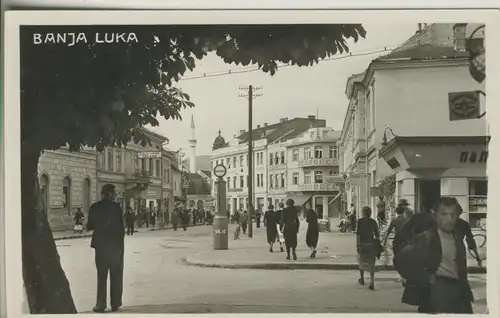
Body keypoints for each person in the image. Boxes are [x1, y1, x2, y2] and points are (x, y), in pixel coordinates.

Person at [395, 197, 474, 314]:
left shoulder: (457, 237)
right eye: (444, 214)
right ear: (435, 215)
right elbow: (400, 260)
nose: (449, 219)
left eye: (453, 214)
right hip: (438, 291)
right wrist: (424, 278)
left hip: (458, 292)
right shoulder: (426, 238)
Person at [86, 184, 125, 313]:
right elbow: (121, 228)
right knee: (116, 275)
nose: (115, 195)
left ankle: (100, 304)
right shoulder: (116, 207)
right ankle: (115, 303)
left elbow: (90, 225)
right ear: (109, 194)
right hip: (115, 246)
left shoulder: (94, 207)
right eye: (114, 193)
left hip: (101, 246)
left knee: (101, 275)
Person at [356, 206, 380, 290]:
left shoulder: (360, 221)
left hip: (362, 243)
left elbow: (358, 234)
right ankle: (372, 282)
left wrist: (358, 245)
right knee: (371, 263)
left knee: (361, 261)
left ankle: (362, 279)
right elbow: (377, 235)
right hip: (371, 244)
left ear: (363, 212)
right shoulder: (373, 222)